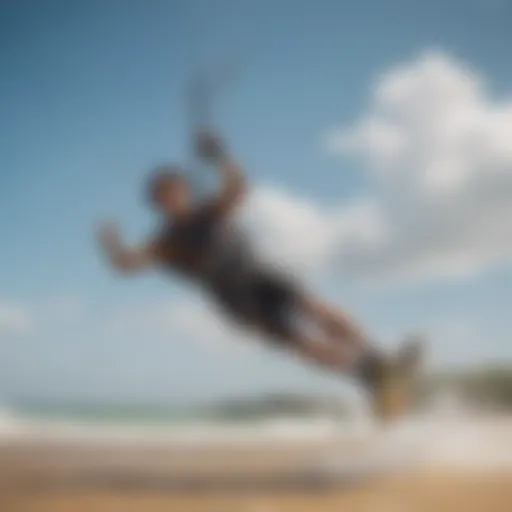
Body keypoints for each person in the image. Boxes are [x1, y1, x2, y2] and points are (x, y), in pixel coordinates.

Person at [97, 131, 422, 420]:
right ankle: (366, 375)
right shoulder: (166, 242)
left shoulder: (209, 210)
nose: (172, 198)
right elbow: (126, 264)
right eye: (163, 195)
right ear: (156, 204)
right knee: (300, 343)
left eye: (175, 190)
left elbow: (238, 187)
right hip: (236, 299)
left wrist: (218, 153)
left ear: (184, 189)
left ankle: (379, 359)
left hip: (259, 272)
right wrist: (112, 245)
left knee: (313, 307)